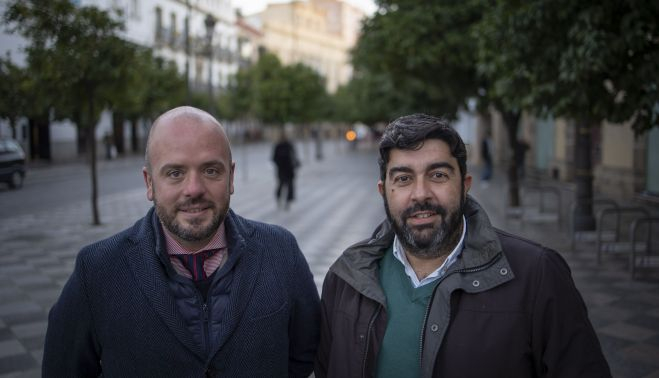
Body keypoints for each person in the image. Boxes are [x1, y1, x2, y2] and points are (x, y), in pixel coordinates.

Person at [315, 114, 611, 378]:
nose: (421, 194)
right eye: (403, 178)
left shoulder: (537, 275)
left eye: (438, 175)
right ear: (384, 191)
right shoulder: (346, 280)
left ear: (465, 184)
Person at [43, 106, 320, 377]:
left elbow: (304, 354)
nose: (194, 189)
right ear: (149, 182)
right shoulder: (97, 271)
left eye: (211, 170)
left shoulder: (281, 252)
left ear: (231, 177)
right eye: (175, 173)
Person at [272, 131, 299, 210]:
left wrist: (295, 164)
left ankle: (287, 202)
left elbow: (294, 156)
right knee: (281, 185)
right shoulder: (278, 146)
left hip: (289, 170)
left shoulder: (289, 146)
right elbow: (274, 158)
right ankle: (279, 199)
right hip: (282, 170)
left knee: (290, 186)